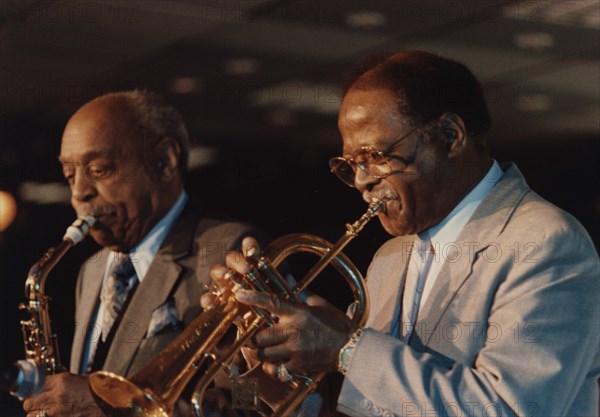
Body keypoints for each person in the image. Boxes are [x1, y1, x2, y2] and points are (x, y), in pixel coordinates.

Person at [207, 51, 600, 416]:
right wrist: (263, 355)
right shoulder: (391, 256)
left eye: (375, 157)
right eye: (351, 164)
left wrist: (346, 347)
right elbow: (347, 403)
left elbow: (509, 408)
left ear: (451, 136)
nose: (361, 181)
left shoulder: (547, 242)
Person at [23, 90, 263, 417]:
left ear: (164, 160)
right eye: (69, 174)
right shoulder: (92, 269)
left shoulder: (228, 250)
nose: (79, 192)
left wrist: (111, 408)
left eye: (99, 169)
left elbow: (251, 402)